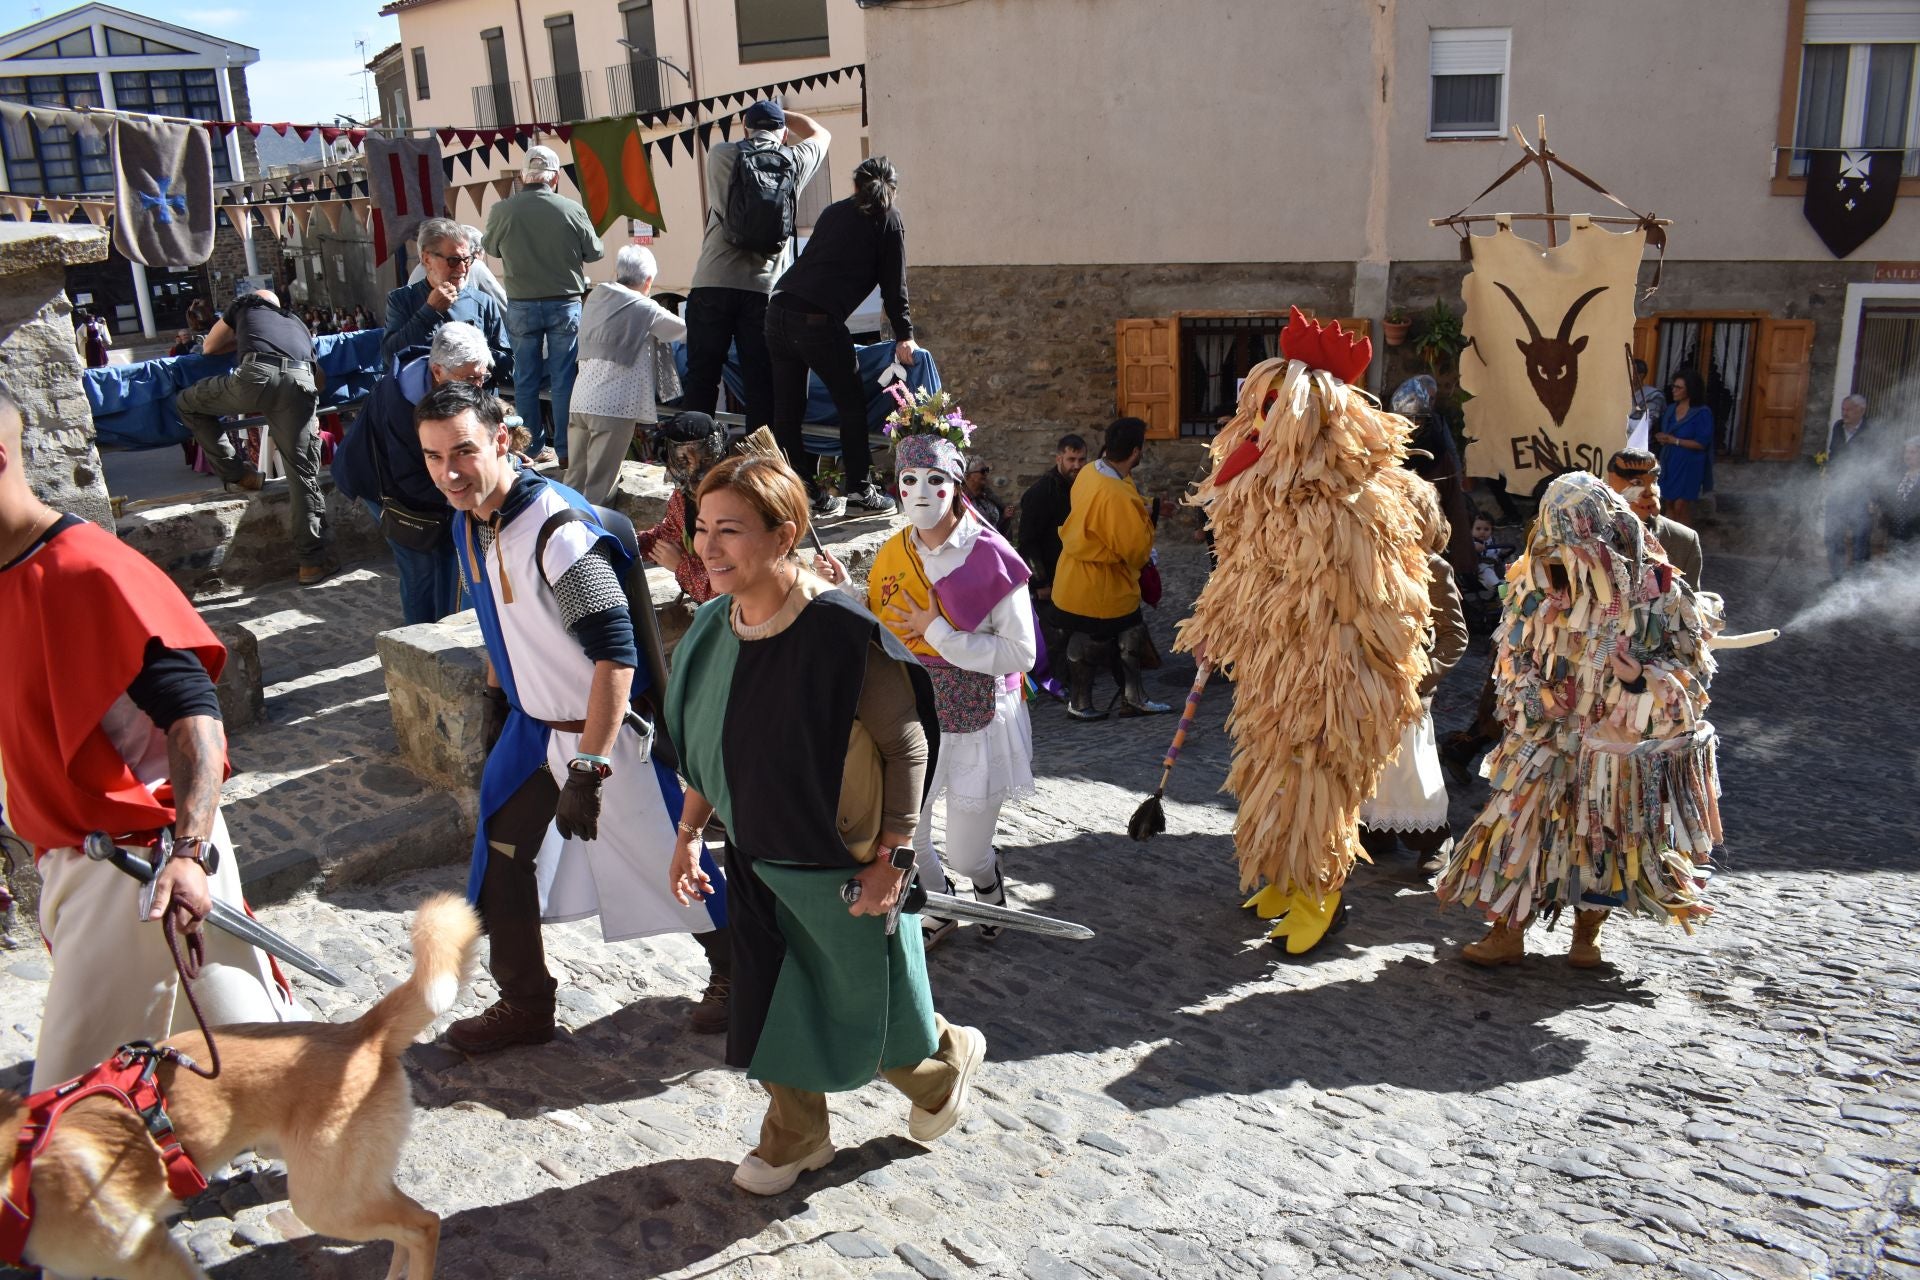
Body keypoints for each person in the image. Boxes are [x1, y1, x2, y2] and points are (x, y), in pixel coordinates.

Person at [662, 452, 986, 1197]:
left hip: (844, 865)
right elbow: (706, 743)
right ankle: (796, 1134)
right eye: (702, 528)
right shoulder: (715, 627)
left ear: (785, 535)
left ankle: (940, 1069)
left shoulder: (841, 632)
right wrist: (687, 834)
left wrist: (894, 858)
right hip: (754, 860)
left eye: (731, 531)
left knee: (868, 1007)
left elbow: (905, 743)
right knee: (773, 1001)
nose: (708, 548)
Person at [0, 380, 304, 1094]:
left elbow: (194, 713)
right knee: (247, 1055)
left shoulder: (90, 573)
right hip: (84, 872)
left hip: (141, 877)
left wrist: (190, 855)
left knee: (70, 1102)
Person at [413, 381, 730, 1051]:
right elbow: (502, 623)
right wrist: (498, 705)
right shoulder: (468, 523)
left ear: (502, 441)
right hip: (531, 736)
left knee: (672, 861)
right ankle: (526, 1003)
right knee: (501, 859)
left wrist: (588, 767)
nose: (450, 472)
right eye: (434, 457)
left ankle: (740, 973)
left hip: (603, 738)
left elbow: (617, 658)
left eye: (464, 451)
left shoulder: (560, 532)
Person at [1179, 313, 1431, 956]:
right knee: (1270, 765)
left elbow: (1379, 601)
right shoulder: (1261, 495)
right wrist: (1218, 625)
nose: (1260, 420)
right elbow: (1242, 572)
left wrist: (1348, 666)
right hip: (1275, 664)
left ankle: (1322, 890)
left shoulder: (1350, 505)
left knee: (1317, 776)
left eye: (1275, 407)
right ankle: (1285, 879)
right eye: (1258, 404)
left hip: (1330, 671)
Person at [1436, 471, 1727, 969]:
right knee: (1517, 829)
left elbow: (1691, 664)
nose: (1569, 548)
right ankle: (1507, 932)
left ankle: (1586, 938)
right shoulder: (1533, 576)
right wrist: (1538, 696)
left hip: (1612, 743)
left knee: (1606, 836)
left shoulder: (1655, 587)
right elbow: (1511, 653)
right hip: (1544, 737)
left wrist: (1640, 677)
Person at [817, 417, 1036, 945]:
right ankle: (939, 905)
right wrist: (848, 592)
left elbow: (1020, 654)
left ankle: (987, 885)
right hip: (910, 710)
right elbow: (882, 624)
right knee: (907, 829)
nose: (920, 491)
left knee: (967, 851)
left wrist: (936, 630)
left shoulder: (990, 556)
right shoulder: (896, 551)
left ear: (956, 484)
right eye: (908, 479)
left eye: (934, 479)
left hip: (975, 714)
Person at [764, 154, 909, 518]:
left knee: (787, 409)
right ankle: (860, 490)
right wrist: (905, 334)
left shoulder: (832, 212)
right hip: (816, 318)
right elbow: (895, 286)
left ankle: (802, 494)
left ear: (855, 186)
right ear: (892, 189)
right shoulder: (888, 220)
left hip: (778, 308)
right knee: (851, 404)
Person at [684, 100, 829, 441]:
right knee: (761, 382)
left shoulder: (721, 154)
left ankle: (692, 462)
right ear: (781, 134)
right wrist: (785, 117)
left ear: (746, 129)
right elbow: (820, 133)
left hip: (712, 282)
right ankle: (758, 466)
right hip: (763, 291)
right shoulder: (794, 159)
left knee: (702, 377)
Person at [331, 322, 494, 624]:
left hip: (417, 480)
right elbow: (410, 480)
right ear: (437, 372)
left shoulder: (459, 382)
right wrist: (465, 495)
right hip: (382, 483)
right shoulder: (402, 405)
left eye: (482, 375)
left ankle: (446, 627)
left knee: (448, 552)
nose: (479, 386)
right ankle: (420, 642)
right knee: (418, 565)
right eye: (470, 378)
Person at [177, 290, 335, 586]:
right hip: (301, 381)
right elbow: (317, 373)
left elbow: (210, 346)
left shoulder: (244, 305)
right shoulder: (296, 322)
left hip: (256, 376)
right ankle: (311, 563)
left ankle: (238, 474)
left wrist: (240, 342)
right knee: (302, 475)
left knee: (187, 403)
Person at [1358, 466, 1468, 868]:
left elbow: (1455, 635)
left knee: (1411, 766)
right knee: (1371, 764)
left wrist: (1421, 676)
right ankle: (1378, 830)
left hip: (1411, 688)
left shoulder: (1435, 568)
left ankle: (1433, 838)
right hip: (1368, 681)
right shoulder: (1367, 563)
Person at [484, 145, 605, 467]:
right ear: (557, 177)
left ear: (524, 176)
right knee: (564, 377)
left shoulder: (503, 210)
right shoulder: (571, 208)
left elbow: (490, 248)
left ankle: (530, 448)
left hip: (522, 303)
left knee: (525, 378)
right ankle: (565, 451)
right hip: (565, 302)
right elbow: (595, 253)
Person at [1051, 416, 1167, 720]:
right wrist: (1147, 541)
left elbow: (1125, 502)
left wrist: (1150, 505)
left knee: (1089, 636)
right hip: (1102, 583)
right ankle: (1128, 699)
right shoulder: (1113, 493)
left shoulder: (1092, 471)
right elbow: (1134, 548)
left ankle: (1084, 701)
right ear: (1135, 452)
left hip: (1075, 576)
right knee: (1118, 635)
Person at [566, 244, 686, 505]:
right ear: (649, 280)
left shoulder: (596, 297)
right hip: (613, 407)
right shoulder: (644, 307)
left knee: (574, 478)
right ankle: (593, 540)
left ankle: (561, 529)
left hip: (580, 400)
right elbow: (680, 330)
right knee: (600, 485)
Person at [381, 218, 511, 371]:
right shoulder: (401, 300)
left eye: (467, 260)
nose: (463, 269)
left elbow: (508, 363)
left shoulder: (483, 302)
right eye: (454, 260)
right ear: (427, 259)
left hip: (473, 393)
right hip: (426, 394)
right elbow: (390, 357)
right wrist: (428, 312)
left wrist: (475, 353)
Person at [636, 411, 727, 604]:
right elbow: (669, 534)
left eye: (704, 460)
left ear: (717, 453)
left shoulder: (735, 504)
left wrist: (681, 566)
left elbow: (730, 594)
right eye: (684, 461)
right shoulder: (682, 499)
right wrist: (631, 544)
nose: (694, 471)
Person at [1604, 448, 1704, 586]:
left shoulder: (1684, 541)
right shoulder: (1589, 532)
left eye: (1654, 481)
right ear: (1611, 486)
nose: (1650, 492)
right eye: (1636, 483)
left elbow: (1692, 601)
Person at [1014, 434, 1088, 600]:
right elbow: (1027, 542)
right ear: (1059, 459)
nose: (1077, 465)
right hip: (1052, 583)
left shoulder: (1085, 488)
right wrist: (1041, 583)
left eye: (1081, 460)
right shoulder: (1041, 493)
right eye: (1071, 459)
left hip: (1078, 578)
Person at [1823, 393, 1878, 580]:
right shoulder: (1839, 427)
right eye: (1843, 409)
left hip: (1861, 494)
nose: (1844, 413)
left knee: (1860, 538)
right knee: (1832, 534)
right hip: (1838, 490)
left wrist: (1873, 497)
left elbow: (1876, 465)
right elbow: (1834, 454)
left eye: (1848, 410)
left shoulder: (1872, 430)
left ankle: (1857, 582)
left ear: (1861, 410)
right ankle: (1837, 578)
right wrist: (1829, 472)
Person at [1654, 367, 1713, 525]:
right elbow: (1668, 433)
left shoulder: (1702, 412)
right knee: (1668, 504)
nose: (1673, 390)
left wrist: (1675, 441)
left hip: (1689, 464)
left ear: (1690, 390)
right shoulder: (1672, 409)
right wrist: (1664, 439)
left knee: (1681, 505)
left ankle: (1685, 544)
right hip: (1670, 460)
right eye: (1673, 386)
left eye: (1678, 387)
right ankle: (1668, 544)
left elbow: (1702, 443)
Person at [409, 224, 509, 310]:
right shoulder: (477, 265)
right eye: (454, 260)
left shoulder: (419, 268)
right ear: (476, 252)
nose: (463, 269)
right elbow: (505, 308)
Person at [961, 456, 1008, 534]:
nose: (986, 474)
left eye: (987, 470)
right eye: (982, 471)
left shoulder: (989, 496)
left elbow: (994, 525)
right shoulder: (960, 499)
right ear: (968, 475)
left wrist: (1004, 517)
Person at [1888, 435, 1920, 546]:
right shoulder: (1899, 473)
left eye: (1912, 452)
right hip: (1895, 534)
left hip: (1915, 536)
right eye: (1906, 452)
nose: (1907, 456)